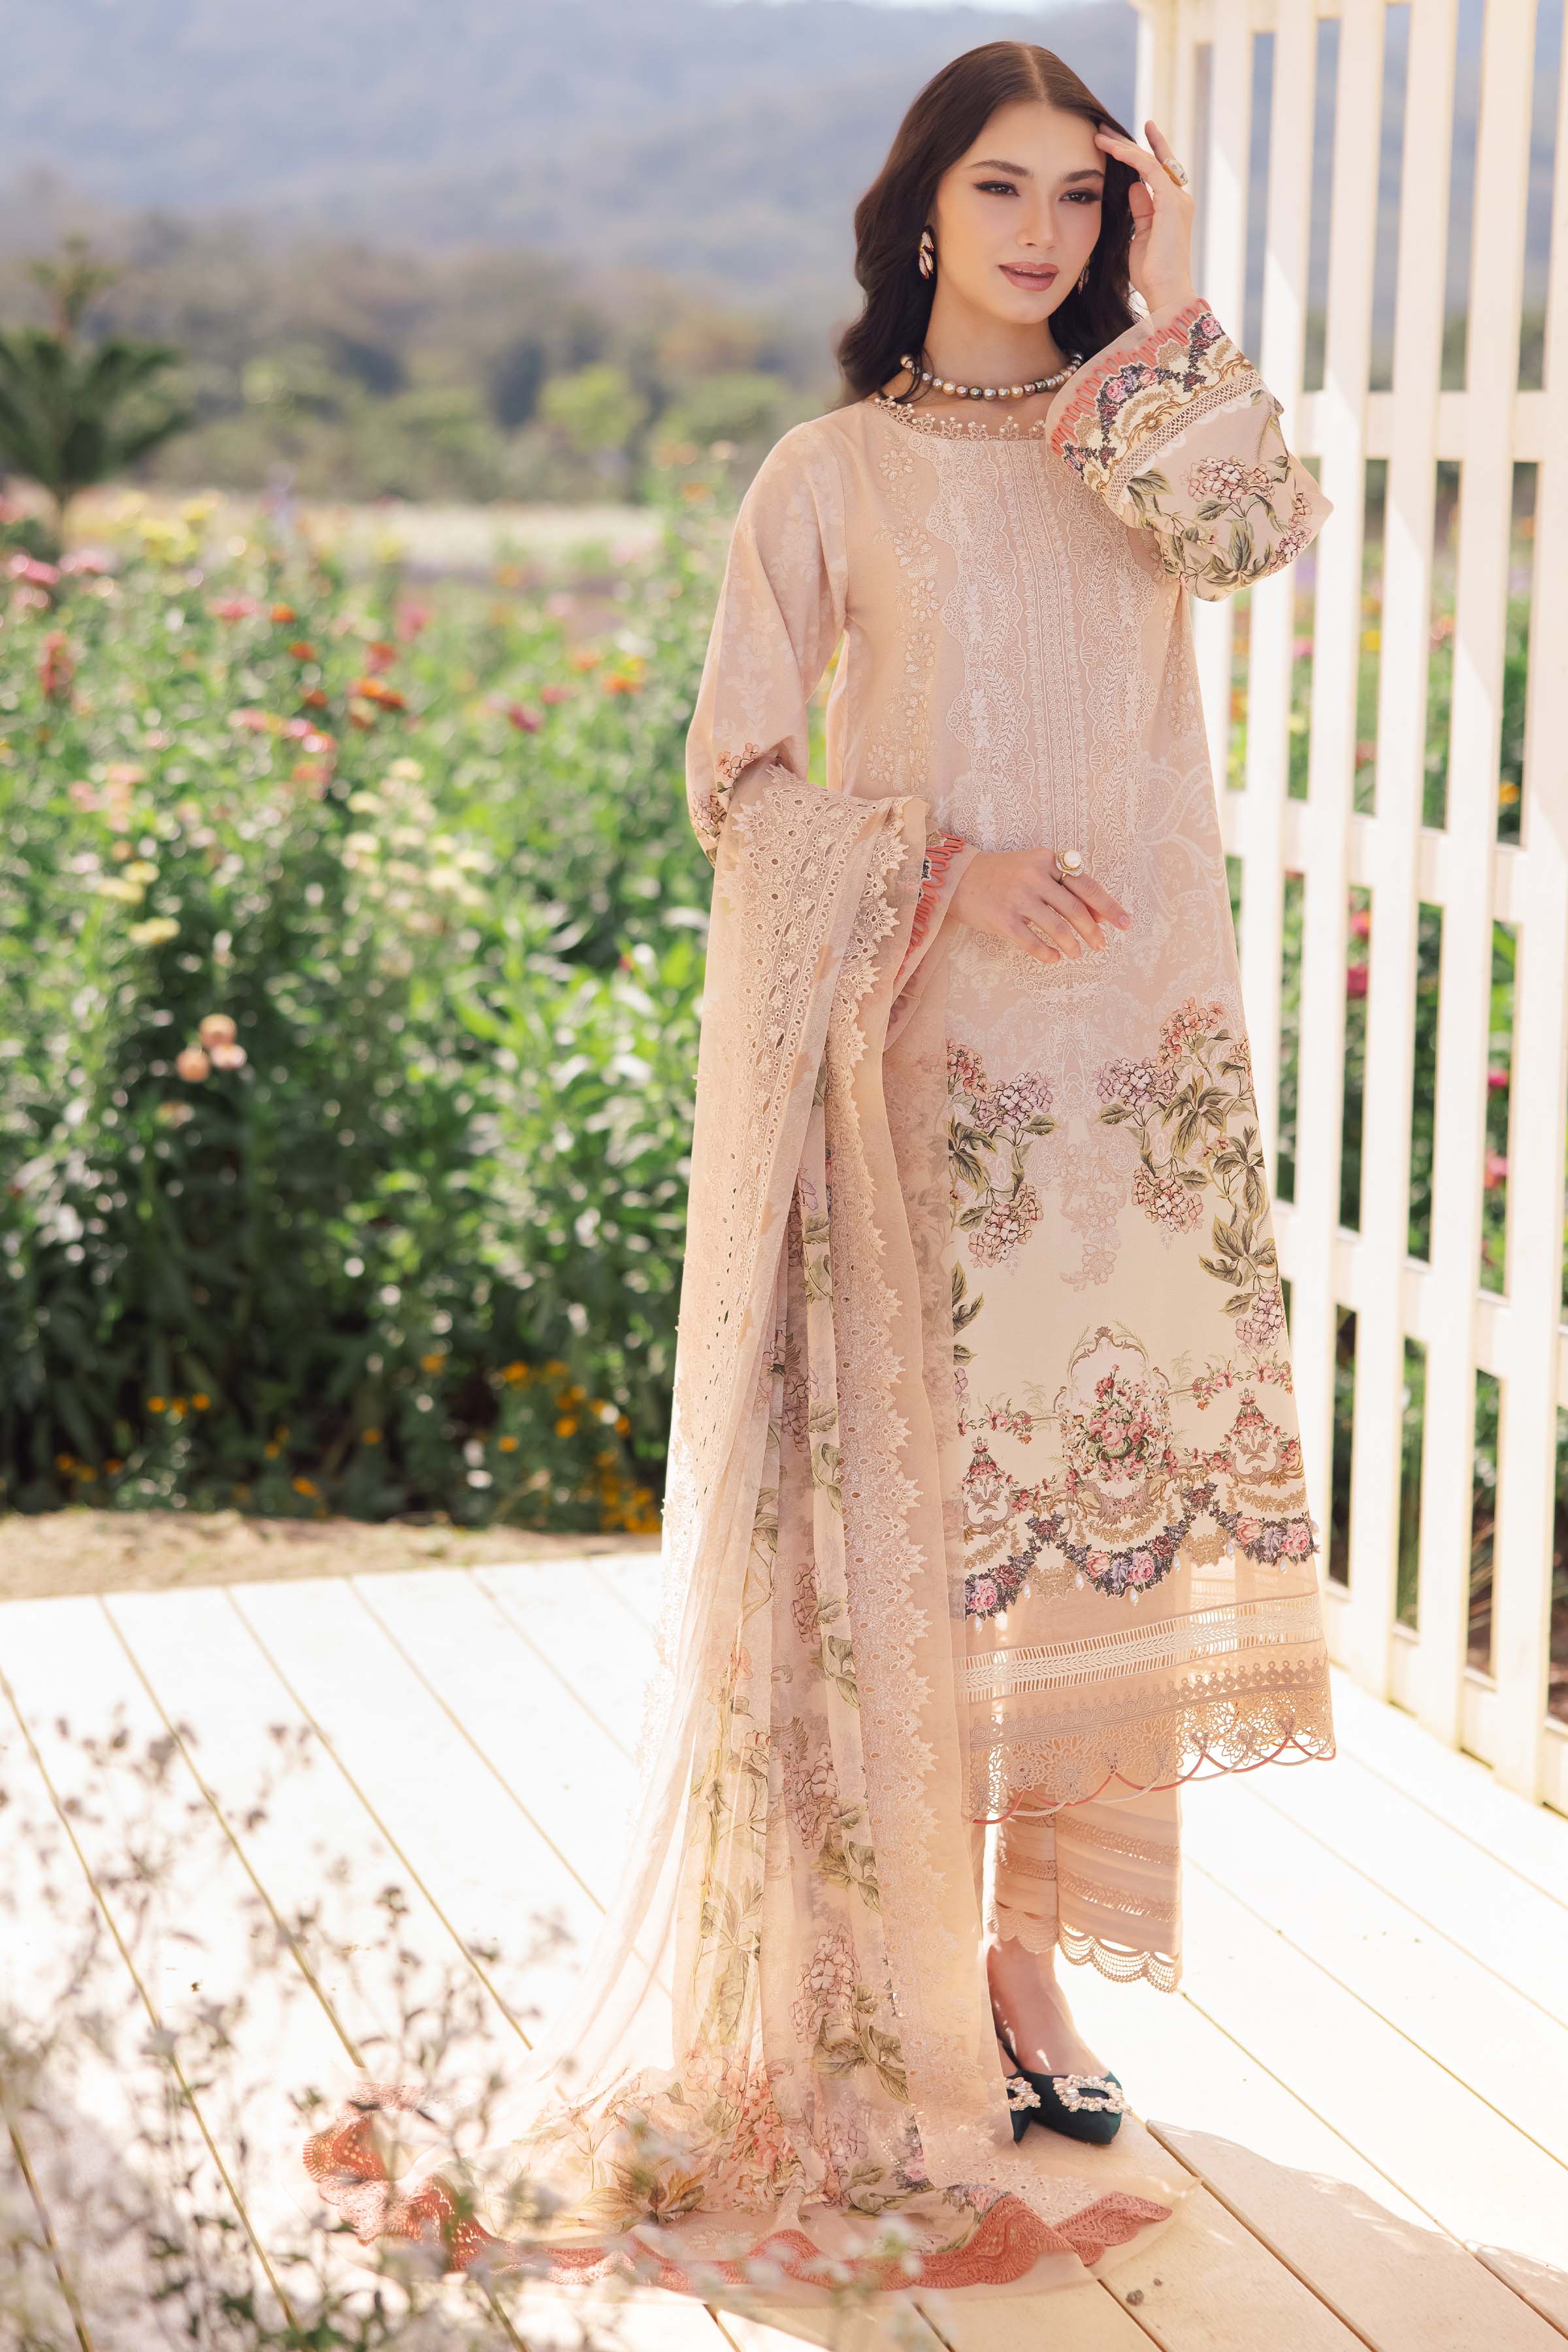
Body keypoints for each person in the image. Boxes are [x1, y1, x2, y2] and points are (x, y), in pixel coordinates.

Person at [306, 38, 1336, 2307]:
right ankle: (898, 1991)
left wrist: (1174, 306)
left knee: (1088, 1551)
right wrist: (944, 872)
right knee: (915, 1554)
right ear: (921, 210)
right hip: (918, 1085)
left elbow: (1260, 536)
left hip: (1135, 1084)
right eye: (1004, 188)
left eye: (1083, 194)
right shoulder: (833, 472)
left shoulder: (1143, 435)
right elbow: (740, 780)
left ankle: (1031, 1972)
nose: (1045, 232)